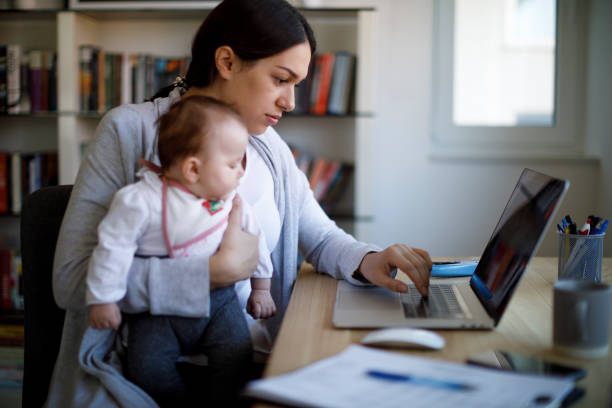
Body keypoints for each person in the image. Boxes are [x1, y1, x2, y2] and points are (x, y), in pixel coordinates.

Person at [49, 0, 432, 406]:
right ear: (227, 61)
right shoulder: (130, 132)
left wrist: (369, 259)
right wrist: (209, 274)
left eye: (297, 85)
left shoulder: (268, 147)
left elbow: (318, 237)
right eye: (280, 79)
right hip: (150, 372)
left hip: (253, 361)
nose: (290, 101)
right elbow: (71, 281)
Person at [85, 95, 275, 406]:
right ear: (192, 169)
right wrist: (104, 298)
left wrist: (261, 288)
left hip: (221, 303)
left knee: (236, 359)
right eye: (232, 164)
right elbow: (112, 249)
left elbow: (256, 240)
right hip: (158, 310)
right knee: (146, 370)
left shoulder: (230, 201)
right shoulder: (141, 200)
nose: (241, 173)